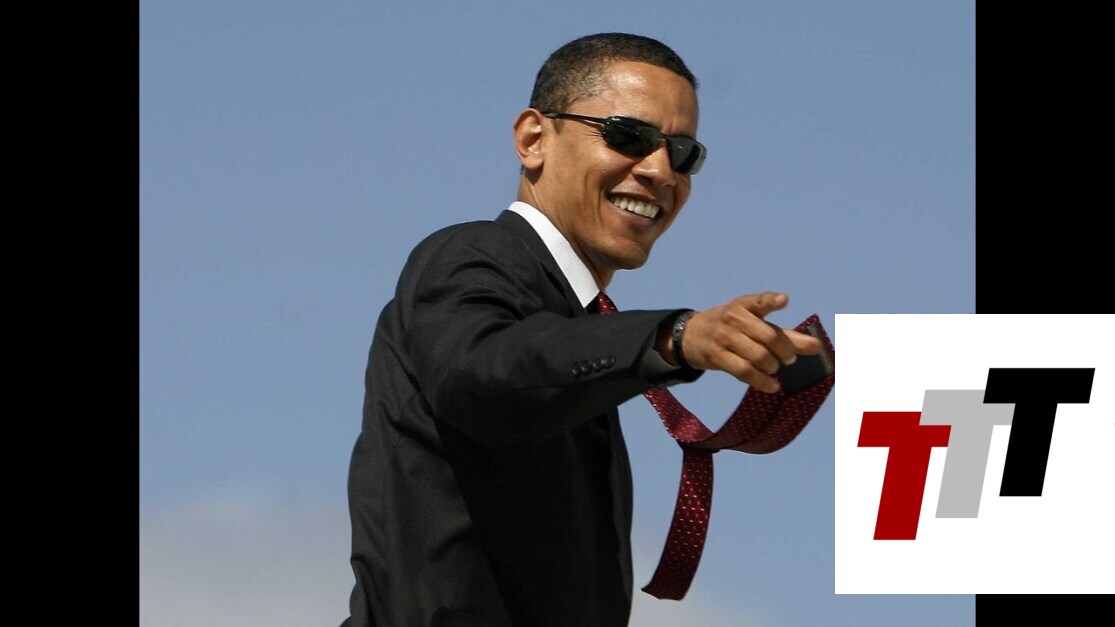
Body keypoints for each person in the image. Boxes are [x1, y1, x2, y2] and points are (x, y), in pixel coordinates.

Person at [341, 32, 821, 627]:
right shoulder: (471, 257)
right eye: (628, 135)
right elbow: (484, 374)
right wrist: (672, 338)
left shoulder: (581, 329)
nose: (660, 171)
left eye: (683, 153)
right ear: (533, 139)